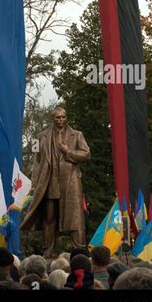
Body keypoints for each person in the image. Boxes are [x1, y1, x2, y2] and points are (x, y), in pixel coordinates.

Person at [20, 106, 90, 256]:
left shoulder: (77, 135)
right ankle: (48, 251)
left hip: (70, 182)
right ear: (52, 119)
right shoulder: (39, 137)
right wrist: (34, 185)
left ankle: (79, 252)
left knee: (75, 219)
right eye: (57, 117)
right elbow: (36, 162)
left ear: (67, 118)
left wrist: (68, 152)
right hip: (49, 181)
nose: (60, 120)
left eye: (63, 117)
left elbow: (86, 155)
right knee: (48, 217)